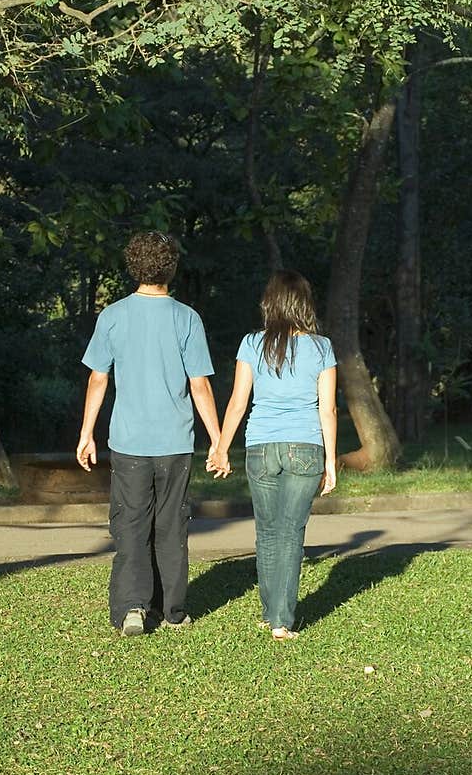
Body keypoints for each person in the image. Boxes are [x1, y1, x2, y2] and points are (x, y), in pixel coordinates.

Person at [76, 230, 222, 636]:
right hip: (175, 444)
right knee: (171, 527)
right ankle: (172, 611)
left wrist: (86, 432)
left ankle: (132, 610)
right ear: (171, 268)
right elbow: (200, 385)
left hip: (129, 444)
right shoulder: (187, 318)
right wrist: (217, 440)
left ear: (132, 267)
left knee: (131, 525)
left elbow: (97, 379)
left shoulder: (112, 316)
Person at [207, 269, 337, 640]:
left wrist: (221, 449)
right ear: (304, 304)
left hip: (260, 446)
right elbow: (327, 410)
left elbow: (236, 403)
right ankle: (282, 620)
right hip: (306, 448)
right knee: (291, 532)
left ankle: (270, 612)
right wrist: (330, 460)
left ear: (270, 303)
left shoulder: (251, 343)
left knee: (267, 532)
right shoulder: (321, 347)